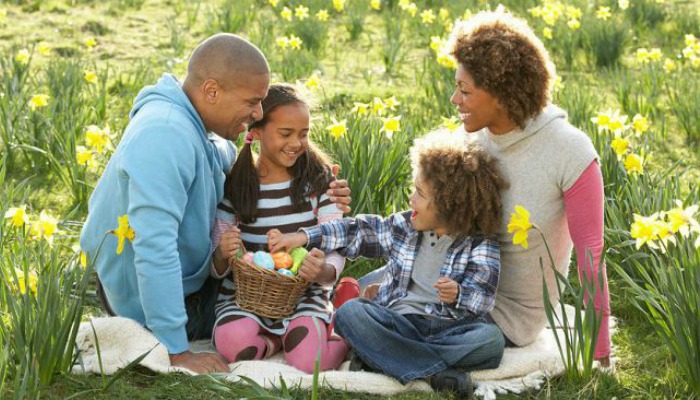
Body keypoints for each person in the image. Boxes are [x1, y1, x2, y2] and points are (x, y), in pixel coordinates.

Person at [80, 34, 351, 374]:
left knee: (280, 303)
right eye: (252, 102)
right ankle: (335, 314)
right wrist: (177, 352)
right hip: (146, 299)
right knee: (240, 330)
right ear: (211, 91)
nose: (257, 113)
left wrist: (319, 181)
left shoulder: (199, 127)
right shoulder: (164, 136)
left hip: (190, 281)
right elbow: (154, 248)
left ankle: (323, 313)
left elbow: (232, 161)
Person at [269, 131, 509, 398]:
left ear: (449, 205)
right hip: (398, 321)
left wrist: (459, 294)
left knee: (490, 341)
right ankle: (435, 374)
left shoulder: (481, 244)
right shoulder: (405, 227)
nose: (411, 199)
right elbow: (356, 231)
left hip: (448, 328)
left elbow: (483, 299)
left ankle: (383, 357)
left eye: (419, 193)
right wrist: (302, 236)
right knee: (350, 314)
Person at [447, 10, 611, 365]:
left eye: (464, 90)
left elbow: (590, 256)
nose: (454, 100)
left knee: (380, 320)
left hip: (508, 317)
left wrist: (600, 355)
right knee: (367, 300)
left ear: (502, 95)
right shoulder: (473, 137)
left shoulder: (570, 150)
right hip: (454, 288)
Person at [210, 83, 349, 373]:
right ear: (256, 131)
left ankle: (344, 327)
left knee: (309, 362)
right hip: (247, 297)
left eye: (303, 134)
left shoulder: (318, 183)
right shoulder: (237, 187)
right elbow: (217, 263)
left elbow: (337, 242)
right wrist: (223, 253)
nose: (296, 143)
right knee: (233, 344)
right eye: (285, 134)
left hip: (304, 295)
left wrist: (323, 271)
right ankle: (276, 340)